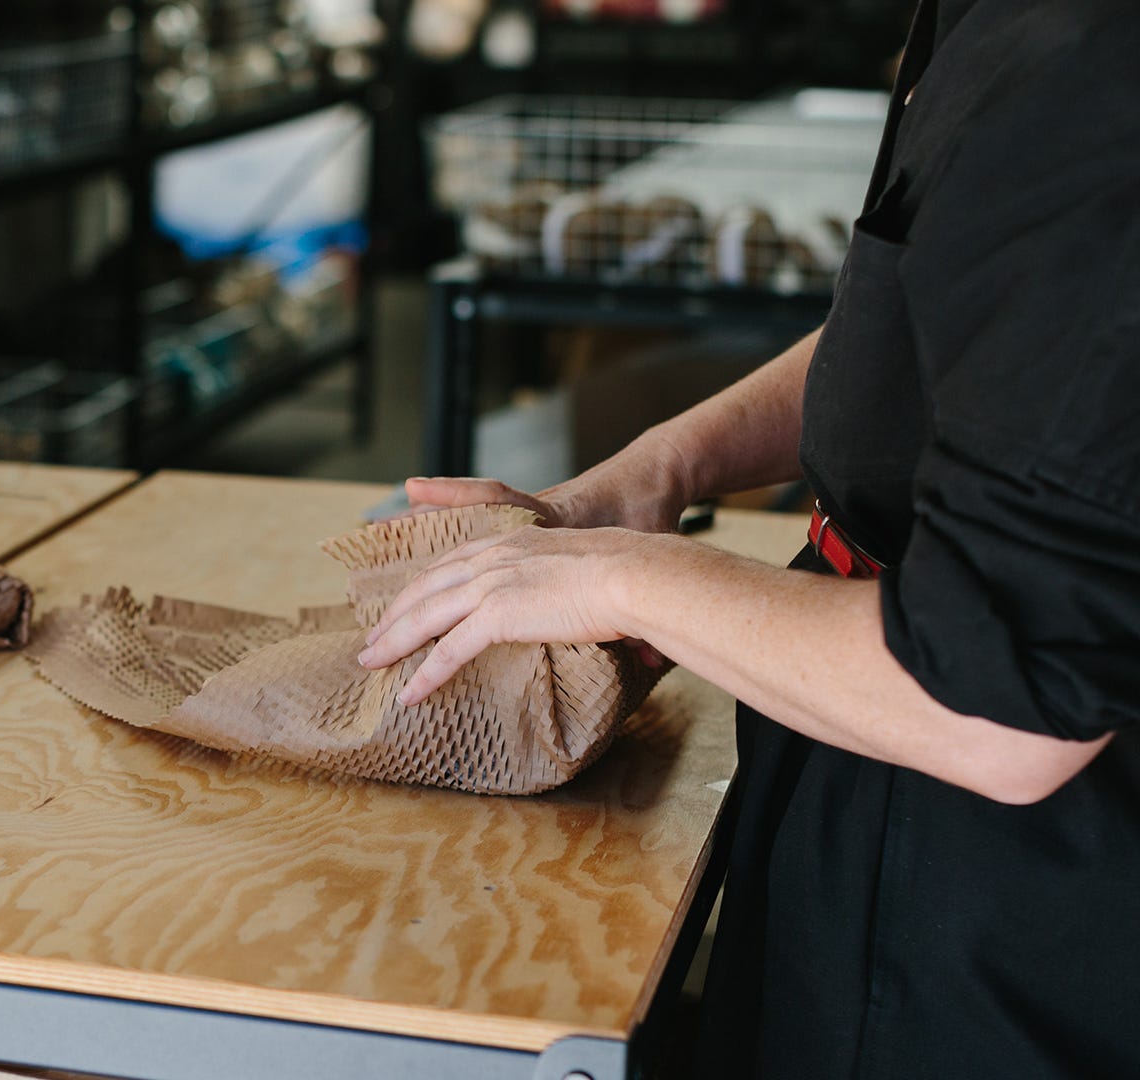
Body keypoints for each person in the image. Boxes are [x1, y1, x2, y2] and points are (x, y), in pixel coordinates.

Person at [357, 0, 1140, 1075]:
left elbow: (1002, 718)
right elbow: (929, 333)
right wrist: (663, 468)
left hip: (1013, 910)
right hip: (863, 775)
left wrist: (630, 583)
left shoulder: (1095, 67)